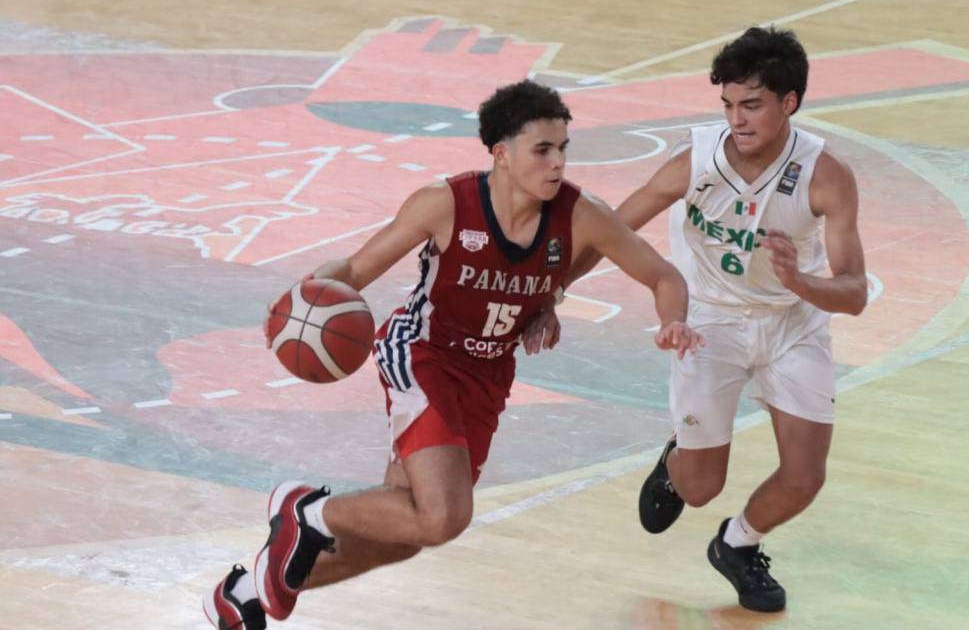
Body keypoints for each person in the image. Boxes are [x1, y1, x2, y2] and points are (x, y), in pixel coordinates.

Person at [203, 79, 704, 629]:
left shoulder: (581, 214)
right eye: (543, 149)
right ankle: (305, 512)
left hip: (488, 375)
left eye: (563, 148)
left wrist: (671, 319)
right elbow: (353, 271)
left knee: (404, 535)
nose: (558, 162)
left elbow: (662, 275)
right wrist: (299, 299)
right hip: (423, 356)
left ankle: (245, 591)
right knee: (443, 518)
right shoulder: (445, 204)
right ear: (502, 154)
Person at [531, 26, 867, 613]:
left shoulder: (825, 175)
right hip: (710, 322)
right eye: (729, 105)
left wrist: (800, 281)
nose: (737, 120)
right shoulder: (699, 160)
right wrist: (552, 291)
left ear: (790, 103)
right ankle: (676, 460)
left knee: (805, 477)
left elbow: (855, 292)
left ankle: (738, 544)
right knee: (699, 486)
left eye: (753, 105)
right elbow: (616, 227)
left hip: (792, 323)